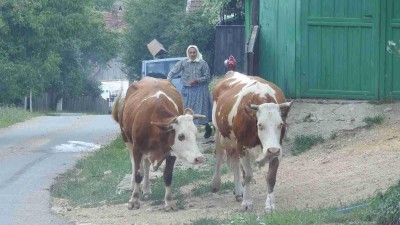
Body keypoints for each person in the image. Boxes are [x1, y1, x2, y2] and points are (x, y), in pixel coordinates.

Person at [167, 45, 213, 138]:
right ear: (188, 53)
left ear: (197, 53)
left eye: (194, 52)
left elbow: (207, 76)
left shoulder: (202, 63)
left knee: (202, 110)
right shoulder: (183, 62)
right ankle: (188, 132)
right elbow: (173, 71)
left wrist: (197, 80)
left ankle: (207, 127)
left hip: (200, 90)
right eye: (190, 52)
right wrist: (168, 82)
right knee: (186, 110)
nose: (192, 54)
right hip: (187, 90)